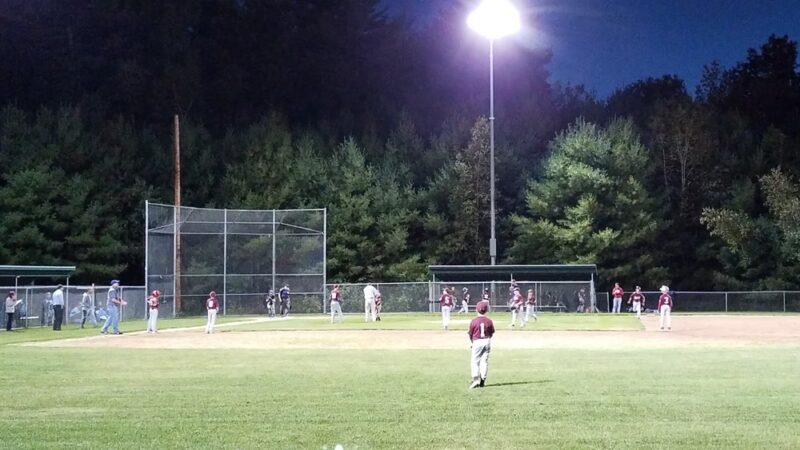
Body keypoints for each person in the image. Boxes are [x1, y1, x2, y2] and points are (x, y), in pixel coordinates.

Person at [468, 300, 495, 389]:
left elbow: (470, 334)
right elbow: (491, 333)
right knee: (484, 361)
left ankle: (475, 379)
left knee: (475, 361)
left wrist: (472, 342)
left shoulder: (474, 321)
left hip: (477, 341)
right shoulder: (489, 321)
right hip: (487, 340)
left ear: (476, 309)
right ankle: (483, 380)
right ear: (486, 310)